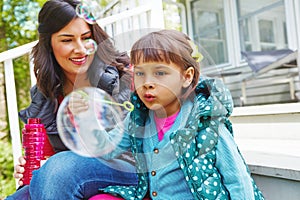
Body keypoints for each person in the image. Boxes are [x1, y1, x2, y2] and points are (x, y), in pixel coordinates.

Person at [69, 29, 265, 199]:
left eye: (160, 73)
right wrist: (86, 117)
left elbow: (238, 179)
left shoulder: (206, 123)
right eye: (140, 73)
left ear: (186, 77)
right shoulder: (139, 118)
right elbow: (107, 147)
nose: (147, 82)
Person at [6, 0, 137, 199]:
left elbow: (138, 144)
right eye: (67, 40)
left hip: (129, 165)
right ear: (49, 44)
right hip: (72, 170)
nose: (80, 49)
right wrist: (34, 166)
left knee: (58, 170)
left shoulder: (125, 78)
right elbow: (47, 157)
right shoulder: (44, 95)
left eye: (86, 38)